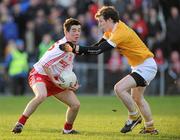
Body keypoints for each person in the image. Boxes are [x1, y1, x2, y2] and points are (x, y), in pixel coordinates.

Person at [67, 6, 158, 134]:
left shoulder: (120, 32)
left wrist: (76, 48)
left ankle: (134, 117)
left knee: (119, 88)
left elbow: (98, 51)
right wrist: (78, 51)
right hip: (141, 65)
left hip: (145, 66)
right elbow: (97, 46)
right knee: (137, 98)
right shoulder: (111, 30)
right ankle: (150, 128)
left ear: (109, 20)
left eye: (101, 22)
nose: (99, 25)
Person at [12, 18, 81, 134]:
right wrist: (54, 80)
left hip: (55, 79)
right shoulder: (61, 46)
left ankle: (67, 130)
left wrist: (72, 82)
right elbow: (44, 64)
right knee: (41, 95)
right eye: (74, 30)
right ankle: (20, 124)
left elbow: (68, 67)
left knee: (75, 105)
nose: (77, 33)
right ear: (66, 32)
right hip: (39, 73)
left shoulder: (72, 47)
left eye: (79, 30)